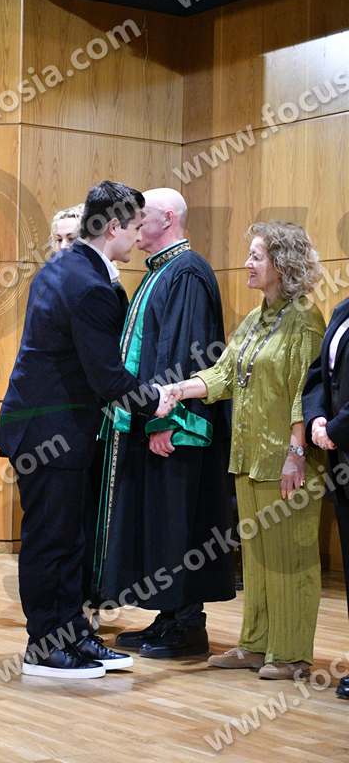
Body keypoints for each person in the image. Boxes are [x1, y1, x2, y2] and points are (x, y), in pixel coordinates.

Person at [0, 180, 178, 679]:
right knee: (52, 541)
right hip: (49, 431)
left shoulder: (66, 268)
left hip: (52, 429)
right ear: (114, 227)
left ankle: (71, 634)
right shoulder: (90, 284)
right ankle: (44, 647)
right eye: (135, 226)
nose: (138, 236)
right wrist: (157, 400)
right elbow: (107, 378)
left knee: (69, 540)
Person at [175, 221, 325, 680]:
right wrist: (178, 390)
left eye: (256, 256)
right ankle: (256, 645)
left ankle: (292, 654)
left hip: (288, 461)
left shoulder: (305, 319)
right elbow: (223, 375)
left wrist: (296, 453)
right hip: (249, 457)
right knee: (258, 560)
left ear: (282, 264)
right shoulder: (255, 318)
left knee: (290, 559)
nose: (247, 264)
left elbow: (307, 391)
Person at [91, 188, 235, 659]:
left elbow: (184, 350)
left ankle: (187, 624)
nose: (134, 223)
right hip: (154, 421)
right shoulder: (161, 271)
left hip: (176, 427)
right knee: (161, 525)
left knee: (178, 524)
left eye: (142, 215)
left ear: (168, 218)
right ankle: (169, 617)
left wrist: (164, 422)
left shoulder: (187, 271)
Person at [303, 296, 349, 699]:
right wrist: (317, 418)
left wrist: (336, 428)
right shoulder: (342, 310)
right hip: (341, 457)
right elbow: (319, 374)